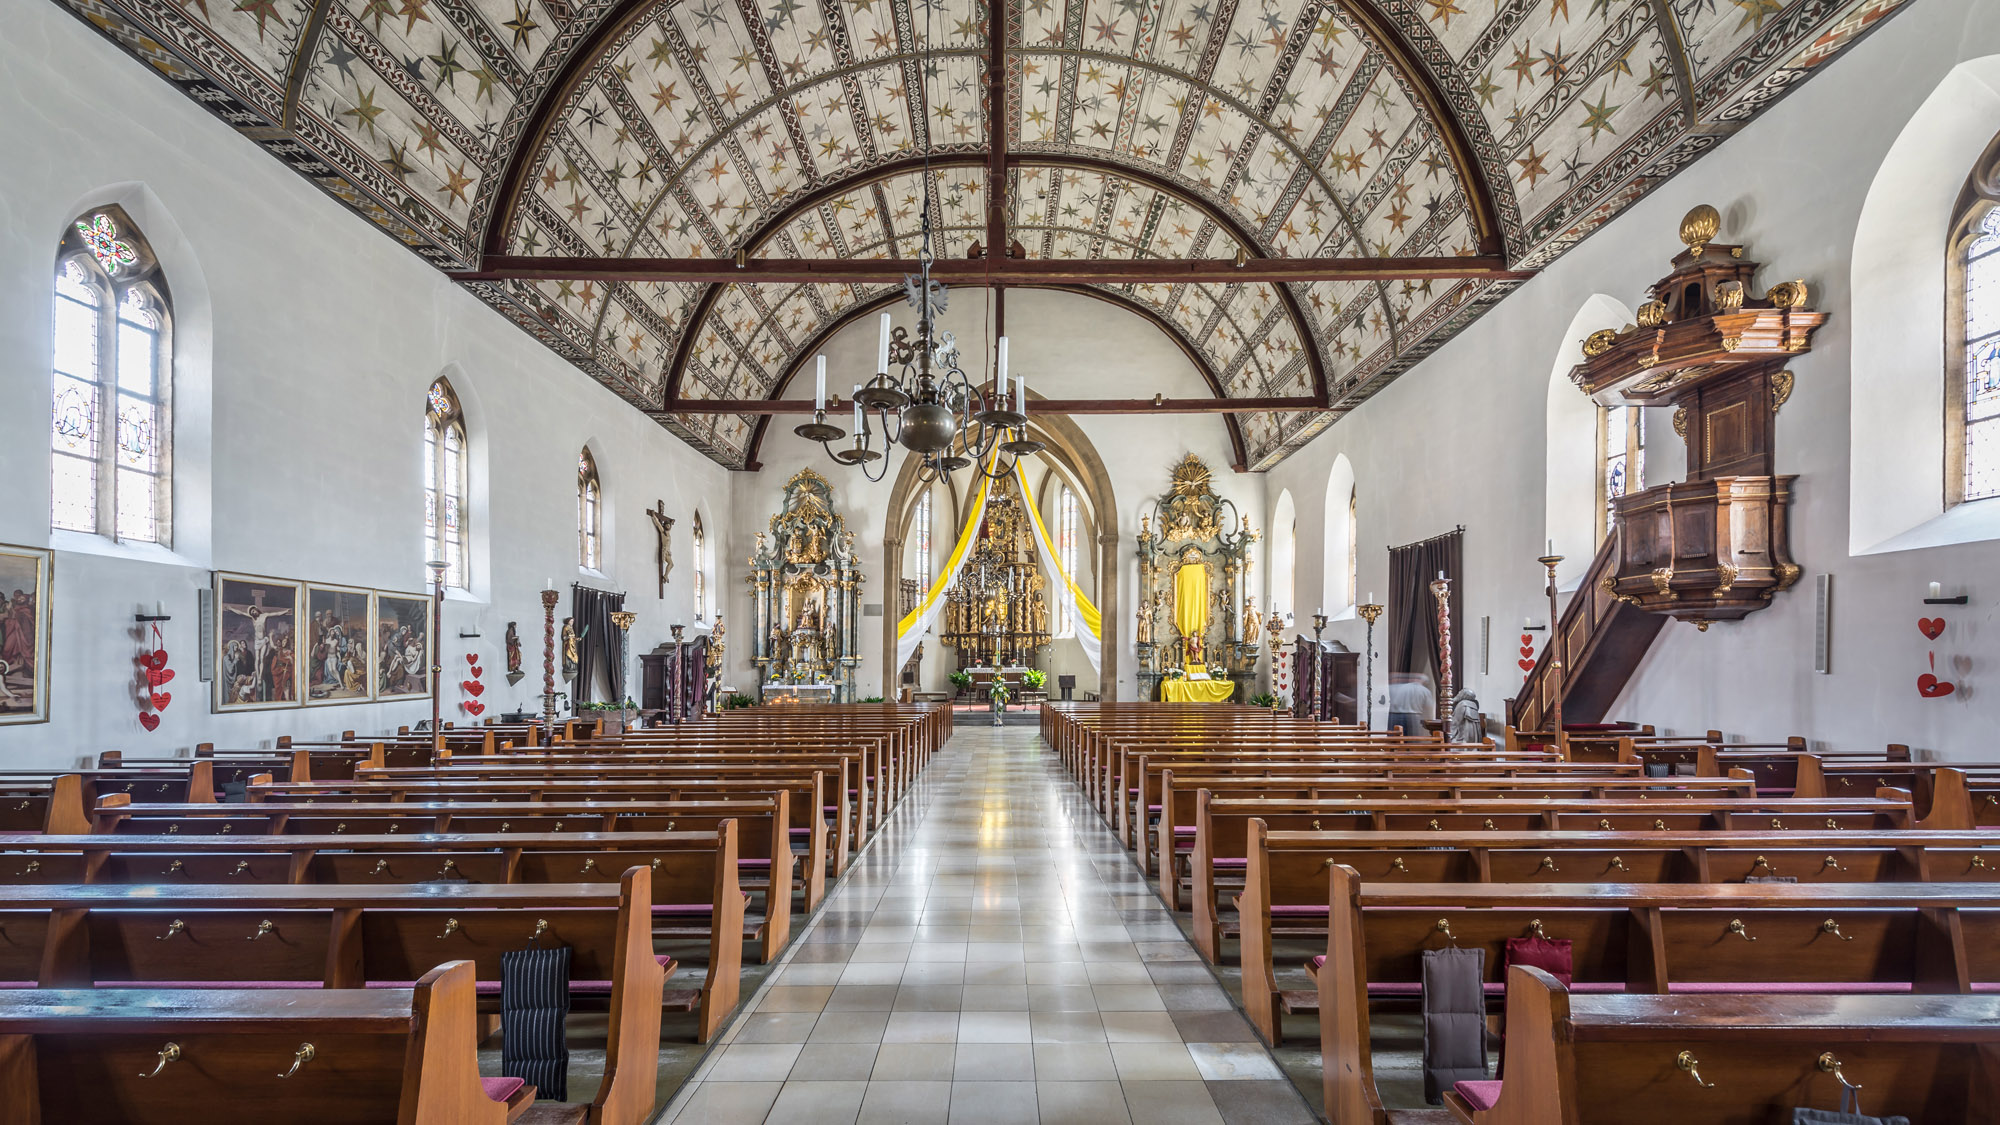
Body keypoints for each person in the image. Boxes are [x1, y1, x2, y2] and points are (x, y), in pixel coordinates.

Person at [1385, 672, 1435, 736]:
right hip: (1413, 716)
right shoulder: (1425, 690)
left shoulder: (1397, 687)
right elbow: (1429, 706)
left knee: (1394, 737)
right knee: (1411, 737)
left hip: (1394, 715)